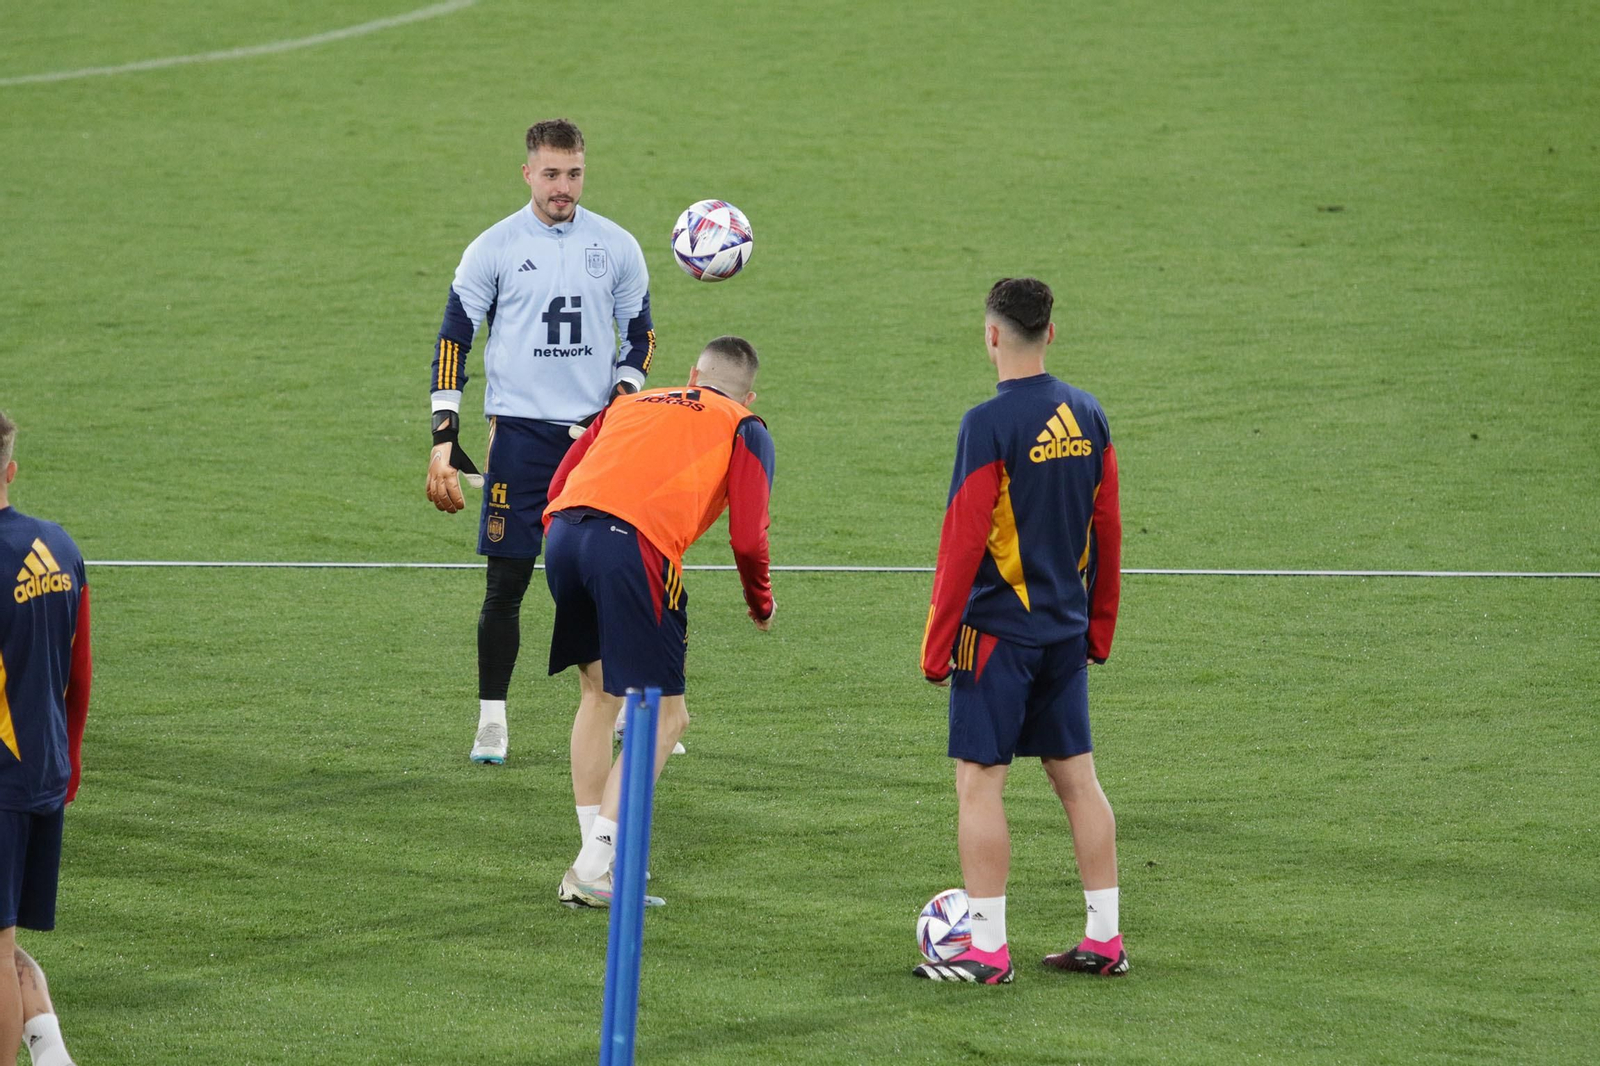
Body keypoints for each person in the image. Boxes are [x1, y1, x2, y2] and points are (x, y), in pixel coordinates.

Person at [424, 119, 655, 790]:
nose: (563, 187)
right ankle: (492, 715)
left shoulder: (615, 246)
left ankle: (613, 705)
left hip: (596, 439)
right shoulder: (493, 247)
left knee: (600, 576)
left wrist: (622, 393)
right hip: (519, 439)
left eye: (574, 173)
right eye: (551, 174)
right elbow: (453, 339)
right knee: (506, 583)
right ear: (528, 172)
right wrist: (445, 434)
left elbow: (639, 333)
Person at [912, 278, 1124, 985]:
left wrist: (937, 646)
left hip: (998, 633)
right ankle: (1104, 939)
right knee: (1079, 783)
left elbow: (962, 541)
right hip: (1064, 633)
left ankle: (987, 949)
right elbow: (1110, 529)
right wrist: (1099, 627)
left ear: (991, 335)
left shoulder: (988, 423)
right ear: (1051, 334)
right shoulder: (1088, 413)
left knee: (979, 784)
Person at [540, 336, 775, 908]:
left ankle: (598, 859)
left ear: (691, 374)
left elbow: (558, 483)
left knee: (598, 697)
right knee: (666, 716)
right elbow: (747, 534)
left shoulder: (627, 403)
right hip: (633, 550)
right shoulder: (746, 426)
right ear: (750, 393)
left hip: (563, 536)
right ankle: (592, 869)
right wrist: (760, 601)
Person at [0, 410, 91, 1065]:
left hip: (1, 780)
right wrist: (71, 761)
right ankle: (52, 1054)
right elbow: (80, 669)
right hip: (45, 773)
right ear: (10, 467)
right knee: (6, 944)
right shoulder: (60, 546)